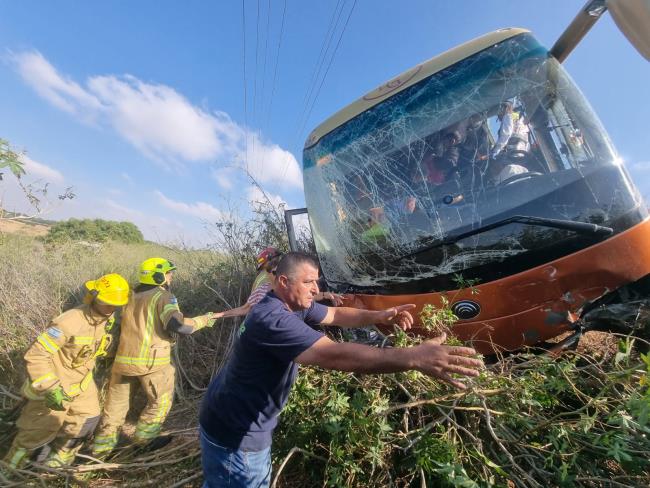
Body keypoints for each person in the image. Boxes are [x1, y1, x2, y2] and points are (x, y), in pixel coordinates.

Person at [199, 252, 483, 487]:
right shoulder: (273, 318)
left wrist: (378, 316)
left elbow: (335, 314)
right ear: (284, 281)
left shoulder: (292, 303)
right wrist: (413, 357)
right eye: (309, 282)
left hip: (229, 416)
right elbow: (334, 354)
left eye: (316, 281)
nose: (315, 289)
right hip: (236, 436)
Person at [91, 258, 219, 457]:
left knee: (114, 410)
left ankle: (99, 452)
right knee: (160, 402)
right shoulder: (163, 296)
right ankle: (144, 441)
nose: (171, 277)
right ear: (159, 276)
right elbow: (180, 326)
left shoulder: (129, 296)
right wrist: (205, 320)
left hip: (122, 364)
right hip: (152, 365)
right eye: (169, 273)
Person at [3, 274, 130, 469]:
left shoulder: (108, 320)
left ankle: (55, 468)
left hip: (81, 385)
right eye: (108, 304)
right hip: (55, 387)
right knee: (36, 435)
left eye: (115, 305)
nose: (112, 309)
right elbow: (36, 355)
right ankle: (9, 473)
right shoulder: (68, 322)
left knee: (87, 420)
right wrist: (50, 387)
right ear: (93, 297)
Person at [215, 247, 342, 318]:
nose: (274, 272)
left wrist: (326, 295)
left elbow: (306, 295)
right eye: (269, 269)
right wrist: (216, 316)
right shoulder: (262, 290)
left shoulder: (289, 283)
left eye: (277, 266)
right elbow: (246, 309)